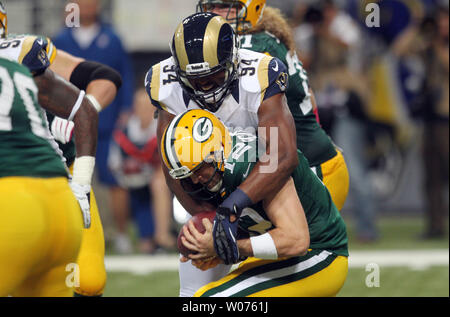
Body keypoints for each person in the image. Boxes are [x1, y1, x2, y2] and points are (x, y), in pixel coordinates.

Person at [145, 12, 299, 295]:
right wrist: (208, 219)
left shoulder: (261, 75)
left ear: (233, 62)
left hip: (271, 192)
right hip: (212, 196)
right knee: (193, 294)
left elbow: (282, 155)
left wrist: (234, 208)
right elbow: (172, 166)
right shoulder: (165, 84)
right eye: (197, 80)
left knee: (261, 288)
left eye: (214, 75)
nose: (206, 87)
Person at [0, 2, 122, 296]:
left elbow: (105, 77)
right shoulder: (22, 50)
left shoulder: (22, 52)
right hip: (40, 193)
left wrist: (71, 118)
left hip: (57, 175)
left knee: (88, 281)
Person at [161, 109, 348, 297]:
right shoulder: (222, 168)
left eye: (199, 168)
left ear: (217, 150)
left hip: (318, 254)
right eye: (188, 175)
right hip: (284, 256)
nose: (196, 180)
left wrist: (228, 246)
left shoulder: (257, 164)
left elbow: (296, 240)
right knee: (190, 294)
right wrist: (220, 246)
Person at [197, 0, 349, 212]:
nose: (215, 13)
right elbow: (309, 98)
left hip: (313, 169)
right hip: (298, 163)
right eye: (210, 6)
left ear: (251, 8)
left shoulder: (256, 45)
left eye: (224, 6)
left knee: (292, 241)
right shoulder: (265, 38)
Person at [0, 46, 99, 295]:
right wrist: (81, 185)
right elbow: (84, 108)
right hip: (61, 201)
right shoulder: (16, 66)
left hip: (14, 204)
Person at [52, 0, 135, 251]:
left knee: (115, 179)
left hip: (107, 122)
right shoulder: (59, 39)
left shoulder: (111, 38)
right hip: (67, 125)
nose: (85, 6)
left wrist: (126, 109)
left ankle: (120, 233)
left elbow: (124, 76)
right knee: (65, 180)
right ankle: (67, 235)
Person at [393, 4, 449, 239]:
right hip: (431, 119)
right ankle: (435, 226)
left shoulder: (439, 48)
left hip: (447, 119)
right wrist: (417, 26)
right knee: (431, 176)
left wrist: (437, 45)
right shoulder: (427, 44)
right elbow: (399, 50)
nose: (442, 25)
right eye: (439, 21)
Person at [108, 88, 175, 253]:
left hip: (161, 182)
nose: (145, 112)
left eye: (148, 107)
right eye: (141, 107)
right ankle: (122, 235)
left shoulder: (164, 129)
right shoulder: (123, 132)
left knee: (159, 182)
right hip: (132, 182)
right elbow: (114, 164)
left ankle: (162, 236)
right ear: (134, 109)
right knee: (117, 188)